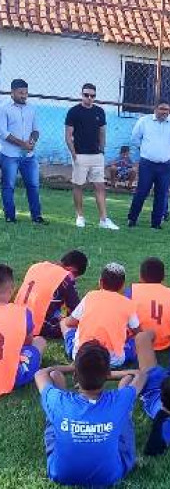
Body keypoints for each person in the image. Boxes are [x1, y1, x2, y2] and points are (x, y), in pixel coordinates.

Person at [35, 341, 146, 486]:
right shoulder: (120, 400)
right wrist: (110, 374)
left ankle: (67, 379)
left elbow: (41, 373)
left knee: (53, 415)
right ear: (107, 375)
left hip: (60, 473)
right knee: (124, 415)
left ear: (75, 376)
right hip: (110, 475)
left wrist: (69, 367)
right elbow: (140, 375)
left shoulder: (58, 401)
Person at [60, 263, 140, 367]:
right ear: (122, 285)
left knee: (63, 322)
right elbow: (138, 332)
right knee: (139, 340)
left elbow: (70, 322)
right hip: (112, 360)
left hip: (81, 355)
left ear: (100, 282)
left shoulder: (90, 296)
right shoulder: (128, 303)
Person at [127, 98, 170, 229]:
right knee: (141, 192)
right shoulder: (144, 121)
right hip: (147, 165)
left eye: (167, 109)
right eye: (161, 109)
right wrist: (144, 150)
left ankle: (156, 223)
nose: (164, 112)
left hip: (166, 166)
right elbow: (135, 138)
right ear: (155, 109)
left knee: (162, 194)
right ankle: (132, 219)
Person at [65, 83, 119, 229]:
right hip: (80, 155)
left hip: (97, 156)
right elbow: (68, 135)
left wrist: (102, 150)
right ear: (81, 95)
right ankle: (80, 217)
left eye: (92, 96)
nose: (89, 98)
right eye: (86, 95)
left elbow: (102, 132)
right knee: (78, 185)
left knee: (100, 186)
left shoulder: (100, 111)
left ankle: (103, 219)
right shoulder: (73, 112)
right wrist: (74, 154)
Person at [0, 79, 45, 224]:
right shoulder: (4, 108)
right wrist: (22, 144)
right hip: (9, 155)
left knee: (33, 186)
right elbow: (3, 133)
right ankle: (10, 217)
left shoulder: (31, 109)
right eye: (20, 93)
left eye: (26, 93)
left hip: (29, 157)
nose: (24, 96)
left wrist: (32, 141)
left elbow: (36, 130)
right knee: (9, 186)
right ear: (12, 92)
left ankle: (37, 217)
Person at [15, 250, 88, 338]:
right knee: (73, 323)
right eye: (75, 277)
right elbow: (76, 310)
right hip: (38, 326)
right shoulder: (65, 277)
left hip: (17, 319)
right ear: (72, 270)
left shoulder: (35, 267)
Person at [0, 264, 46, 395]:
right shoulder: (22, 312)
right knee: (39, 341)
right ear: (11, 290)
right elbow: (27, 342)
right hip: (13, 376)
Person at [128, 257, 170, 351]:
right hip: (165, 342)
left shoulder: (132, 291)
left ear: (140, 276)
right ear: (163, 277)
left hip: (139, 342)